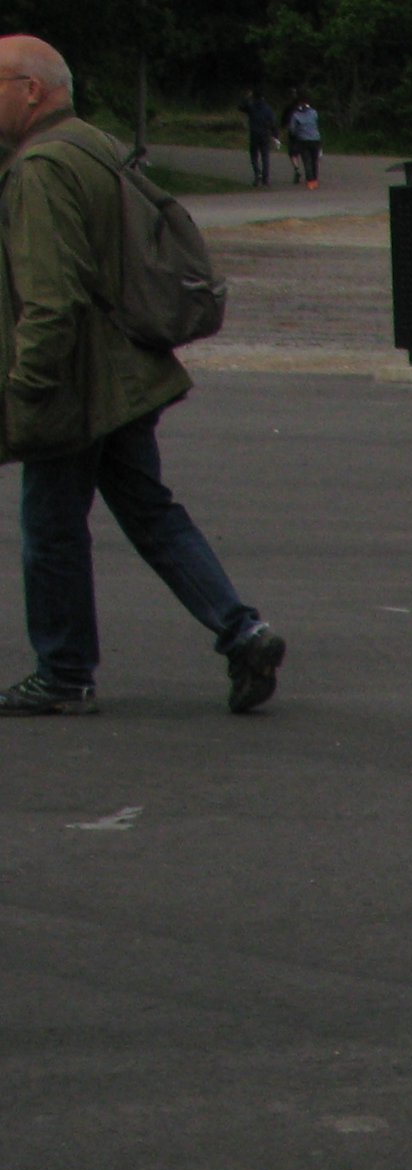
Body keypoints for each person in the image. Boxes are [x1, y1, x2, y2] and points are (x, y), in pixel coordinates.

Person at [0, 37, 284, 716]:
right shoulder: (94, 144)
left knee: (51, 529)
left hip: (77, 382)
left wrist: (25, 388)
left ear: (31, 90)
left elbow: (51, 298)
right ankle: (242, 630)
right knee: (150, 513)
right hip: (129, 369)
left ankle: (64, 674)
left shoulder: (39, 168)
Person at [283, 92, 320, 190]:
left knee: (307, 160)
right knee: (314, 160)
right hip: (315, 139)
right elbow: (316, 122)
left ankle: (310, 181)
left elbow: (292, 129)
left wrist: (297, 133)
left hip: (303, 139)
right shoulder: (314, 112)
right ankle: (315, 180)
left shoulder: (296, 115)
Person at [239, 87, 274, 187]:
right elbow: (272, 122)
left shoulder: (251, 107)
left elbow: (240, 107)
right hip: (265, 134)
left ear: (253, 96)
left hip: (254, 133)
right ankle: (265, 178)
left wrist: (246, 97)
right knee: (265, 156)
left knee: (254, 155)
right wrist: (274, 134)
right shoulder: (268, 108)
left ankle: (257, 174)